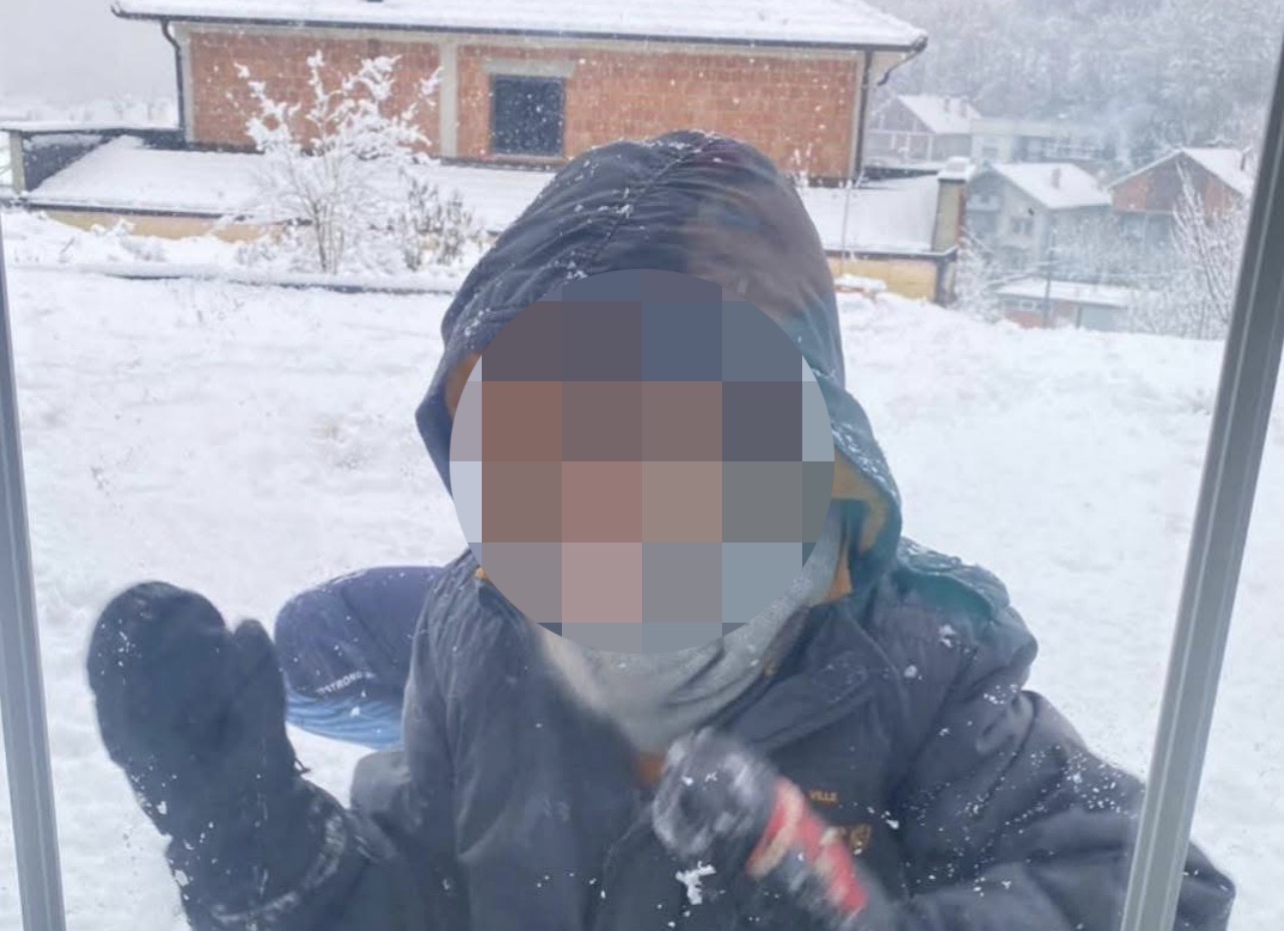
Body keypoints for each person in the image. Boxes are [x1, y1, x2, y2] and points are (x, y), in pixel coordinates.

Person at [88, 131, 1235, 929]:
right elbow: (429, 898)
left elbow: (1159, 896)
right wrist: (261, 847)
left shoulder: (906, 661)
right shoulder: (480, 637)